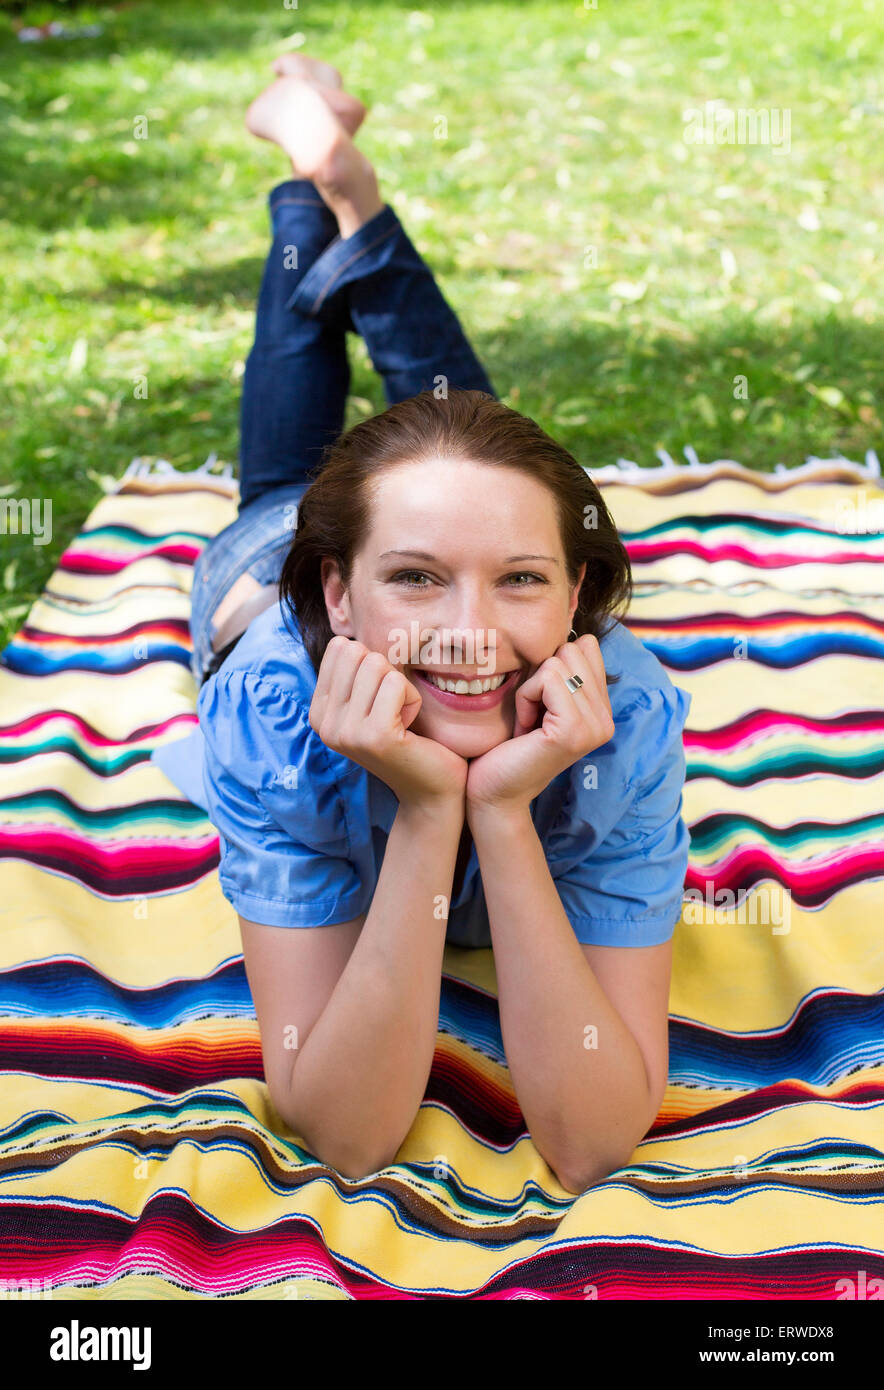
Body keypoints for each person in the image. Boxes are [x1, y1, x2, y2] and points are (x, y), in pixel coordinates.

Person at [157, 55, 693, 1194]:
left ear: (575, 596)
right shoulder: (272, 715)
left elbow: (591, 1137)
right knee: (298, 449)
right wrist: (421, 812)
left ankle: (325, 173)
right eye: (413, 583)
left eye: (522, 583)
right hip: (268, 576)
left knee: (468, 445)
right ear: (343, 594)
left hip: (391, 534)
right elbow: (346, 1134)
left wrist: (496, 808)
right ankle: (314, 191)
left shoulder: (624, 712)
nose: (468, 635)